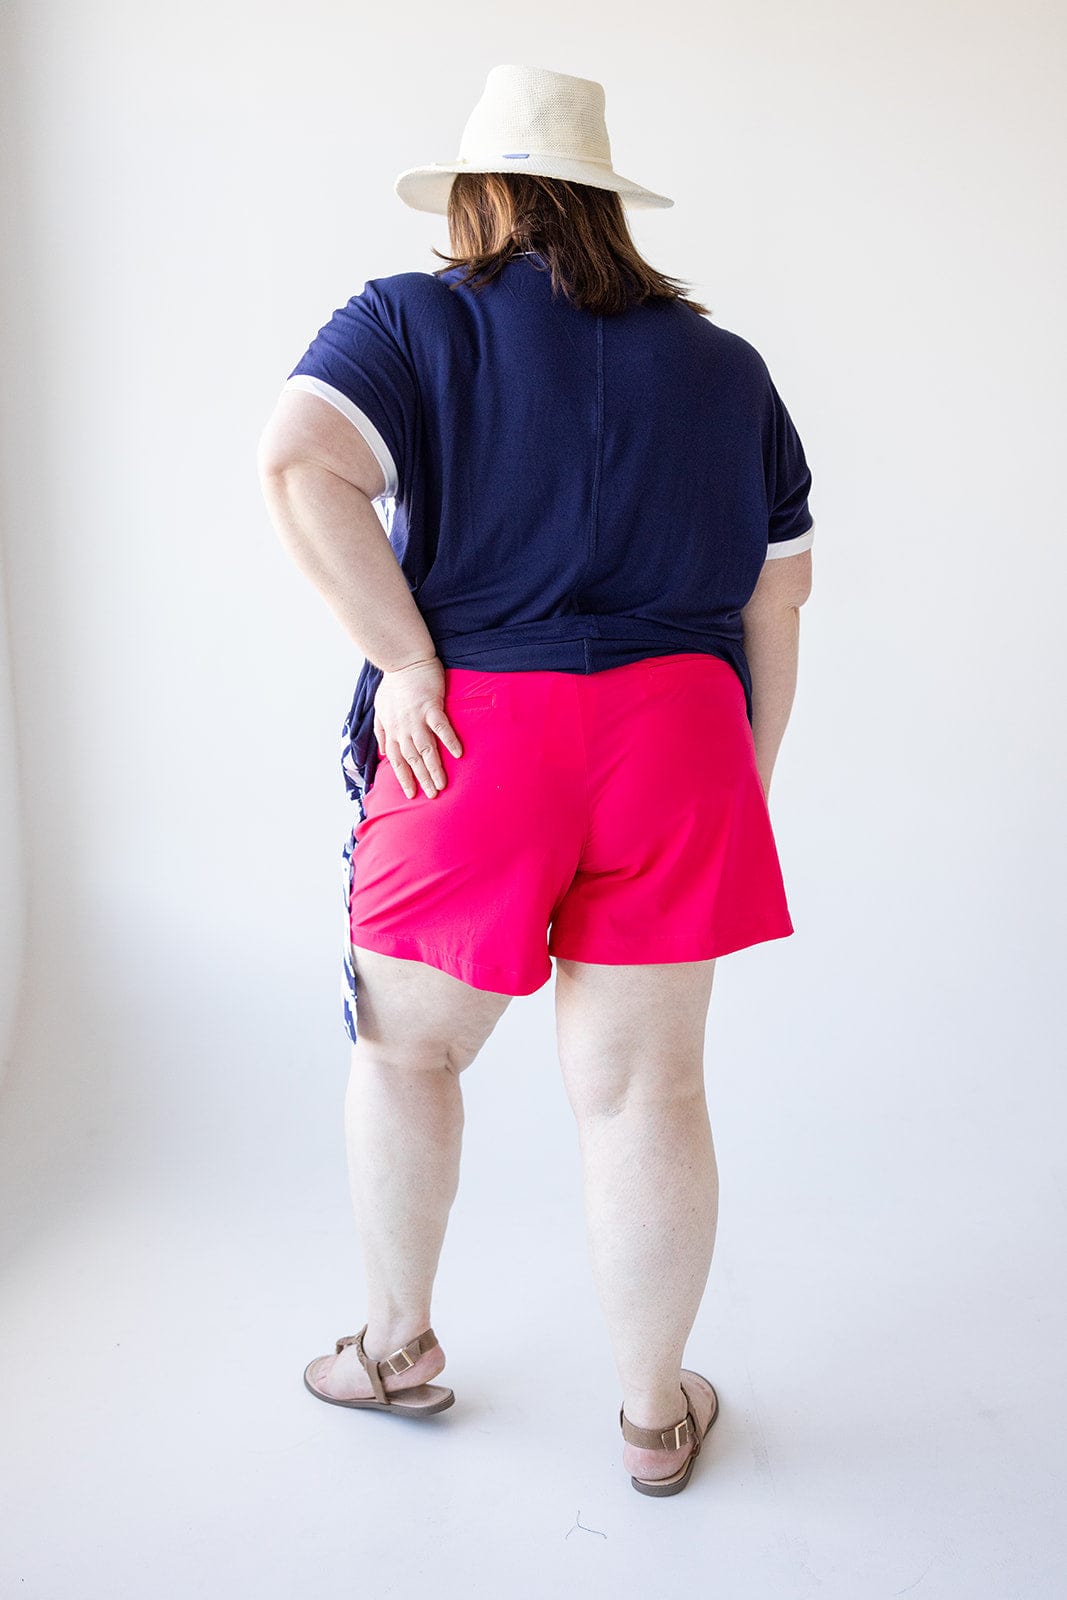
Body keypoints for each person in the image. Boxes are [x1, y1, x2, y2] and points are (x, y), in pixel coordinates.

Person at [256, 64, 815, 1497]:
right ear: (607, 206)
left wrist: (406, 660)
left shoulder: (409, 318)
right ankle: (653, 1419)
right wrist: (738, 776)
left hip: (475, 738)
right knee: (645, 1094)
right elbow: (779, 598)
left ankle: (393, 1348)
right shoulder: (728, 369)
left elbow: (301, 465)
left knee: (406, 1053)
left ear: (481, 200)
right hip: (680, 740)